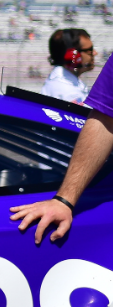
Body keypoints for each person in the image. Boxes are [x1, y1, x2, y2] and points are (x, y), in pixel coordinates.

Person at [12, 65, 113, 245]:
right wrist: (63, 200)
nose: (94, 53)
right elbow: (105, 119)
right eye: (87, 50)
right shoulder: (61, 84)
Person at [40, 28, 96, 103]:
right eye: (89, 50)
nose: (95, 53)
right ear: (73, 56)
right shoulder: (67, 92)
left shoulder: (67, 82)